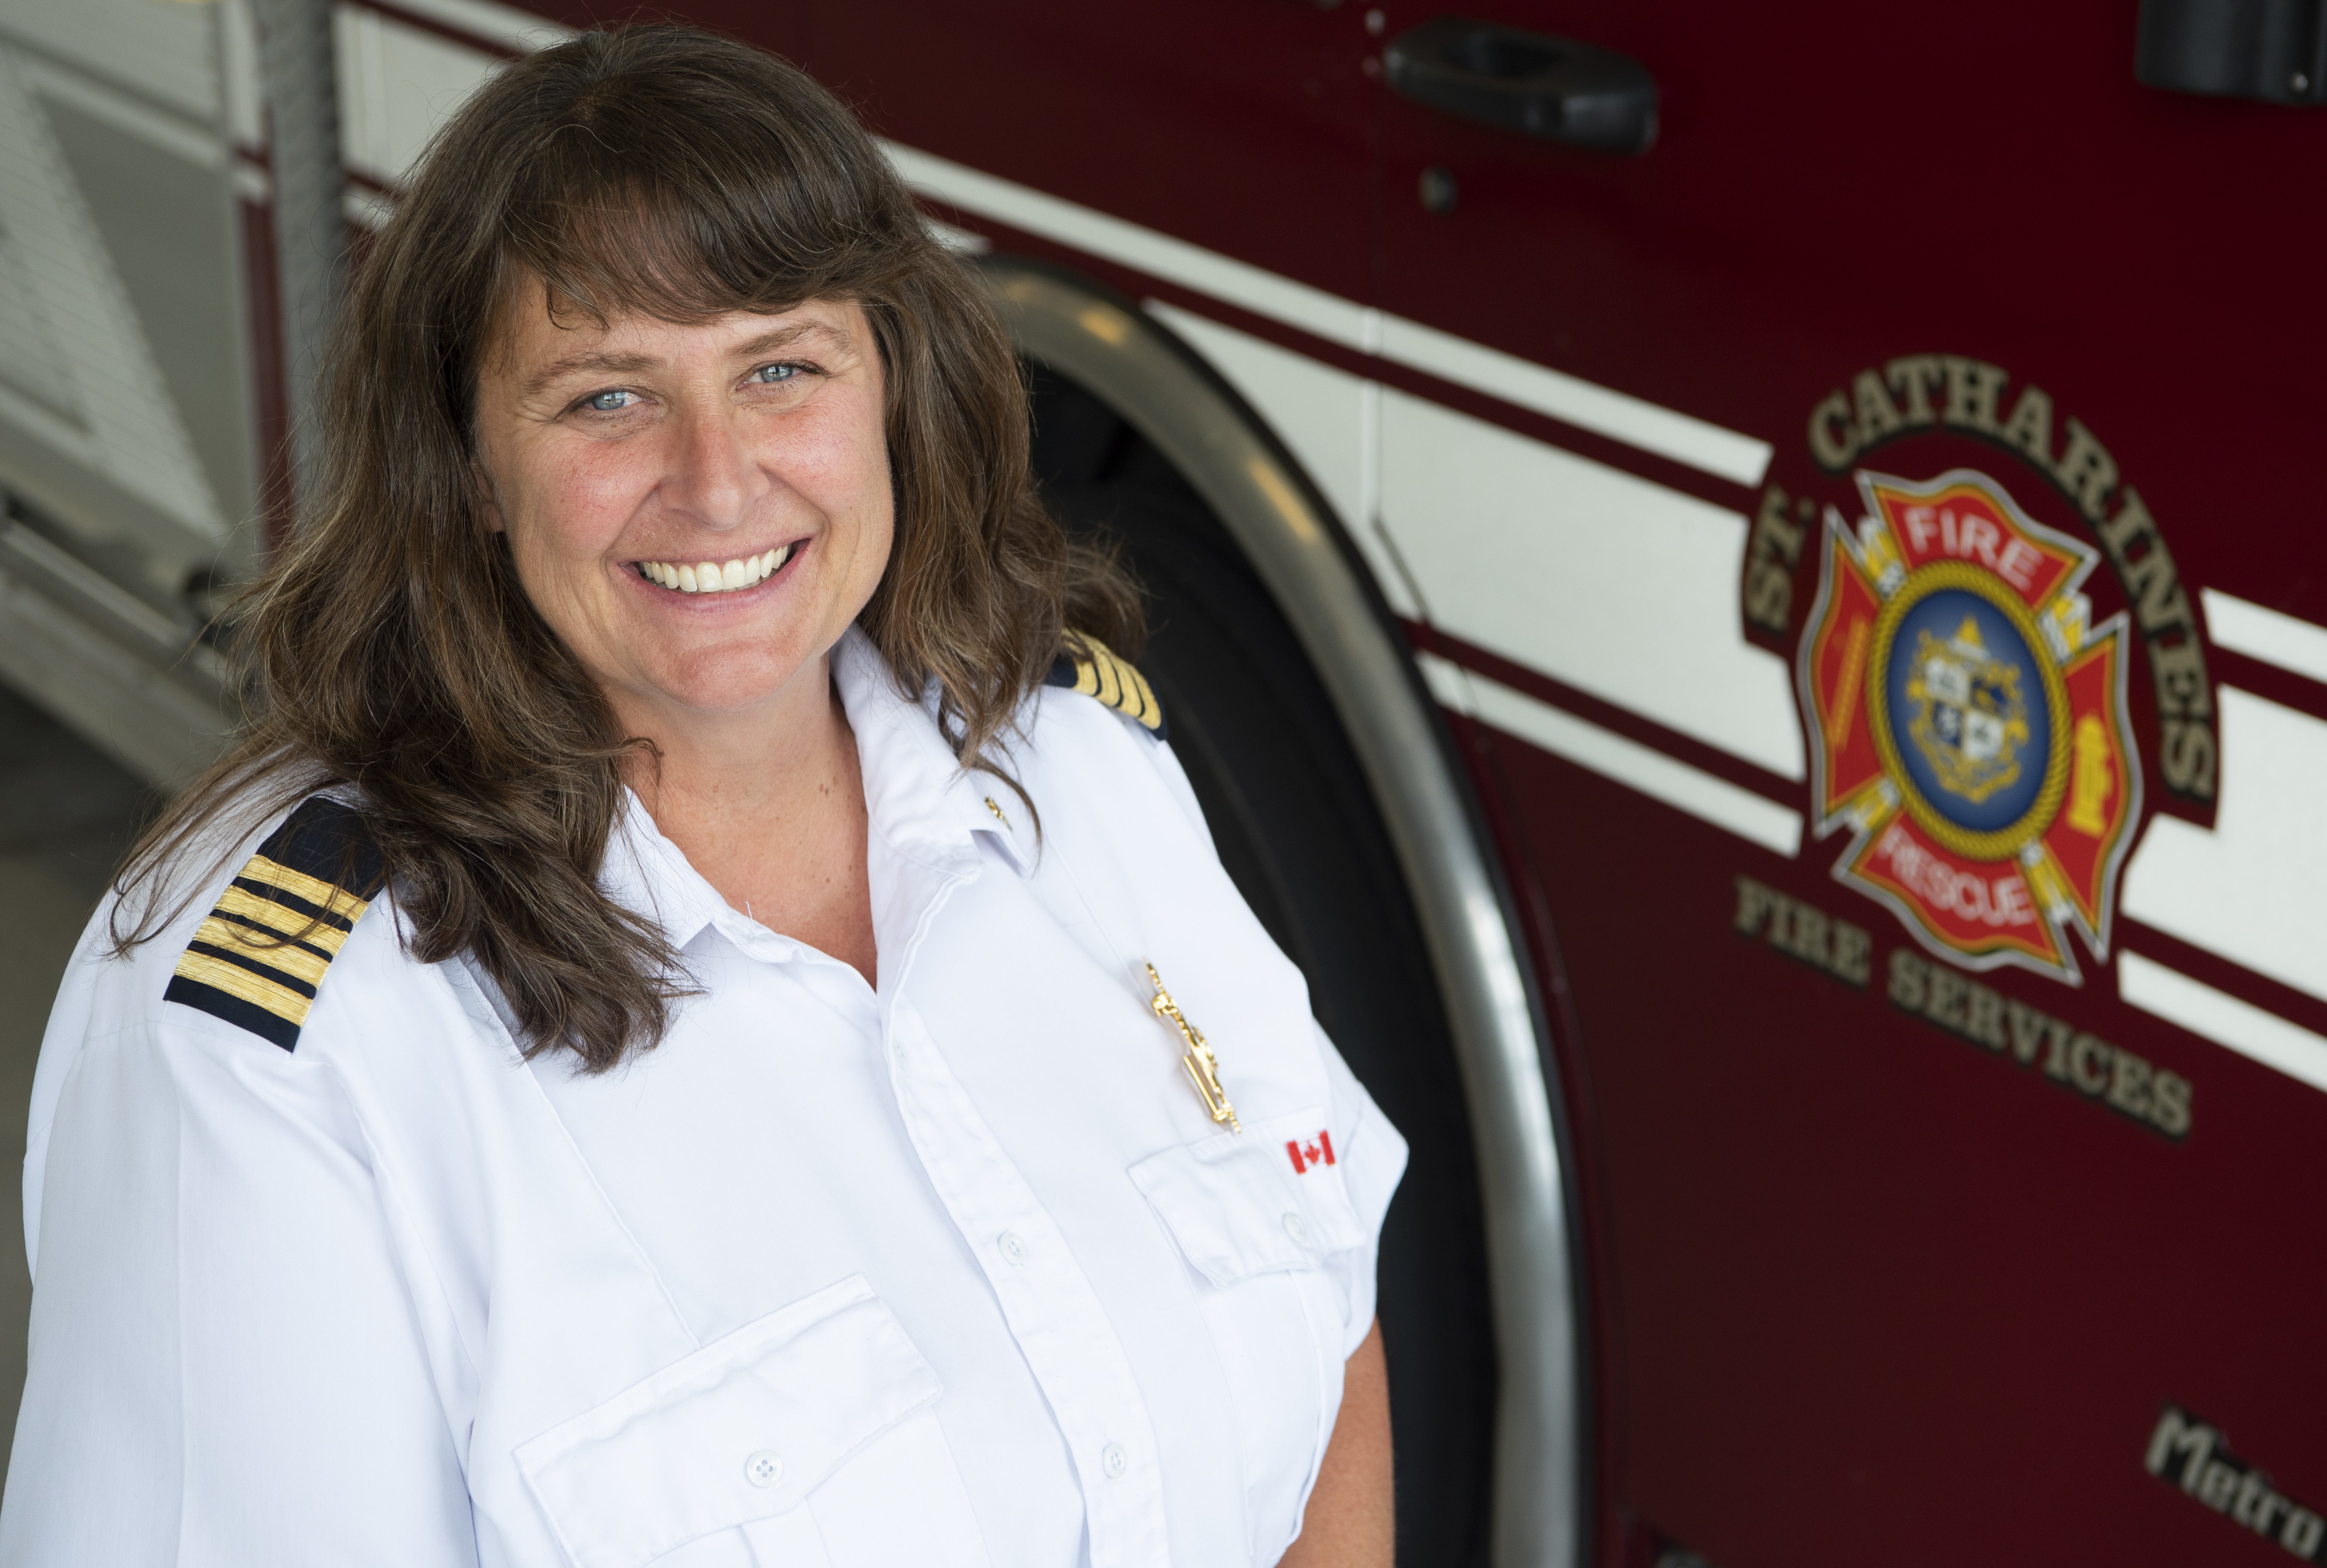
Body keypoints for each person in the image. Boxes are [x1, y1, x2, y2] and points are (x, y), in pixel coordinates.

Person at [0, 24, 1403, 1568]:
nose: (719, 481)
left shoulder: (1077, 767)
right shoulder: (274, 1052)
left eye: (782, 368)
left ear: (892, 391)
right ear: (463, 459)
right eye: (607, 398)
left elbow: (1320, 1300)